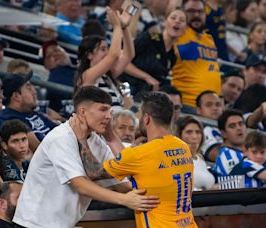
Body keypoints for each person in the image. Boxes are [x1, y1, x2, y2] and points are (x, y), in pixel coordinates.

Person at [13, 86, 159, 228]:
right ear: (82, 112)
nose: (109, 116)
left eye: (109, 110)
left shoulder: (95, 141)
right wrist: (125, 200)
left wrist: (153, 195)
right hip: (34, 223)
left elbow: (118, 182)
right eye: (103, 110)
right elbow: (80, 185)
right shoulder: (61, 137)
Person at [76, 91, 197, 227]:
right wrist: (110, 135)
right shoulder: (183, 147)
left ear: (146, 119)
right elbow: (131, 161)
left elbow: (94, 173)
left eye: (139, 113)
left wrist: (82, 140)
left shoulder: (141, 154)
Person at [75, 7, 134, 109]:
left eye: (107, 49)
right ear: (89, 55)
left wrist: (124, 28)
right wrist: (116, 26)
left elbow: (129, 55)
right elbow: (114, 55)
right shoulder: (87, 76)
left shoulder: (108, 76)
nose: (107, 53)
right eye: (102, 49)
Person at [121, 7, 186, 96]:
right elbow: (122, 61)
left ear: (185, 28)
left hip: (146, 95)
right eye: (173, 18)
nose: (177, 21)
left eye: (182, 20)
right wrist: (146, 77)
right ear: (165, 21)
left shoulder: (172, 56)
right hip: (127, 87)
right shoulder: (148, 38)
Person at [172, 0, 221, 110]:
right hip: (187, 103)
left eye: (200, 11)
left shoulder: (209, 39)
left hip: (212, 106)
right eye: (191, 11)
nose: (196, 15)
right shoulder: (178, 32)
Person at [0, 73, 57, 152]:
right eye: (28, 87)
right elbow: (40, 151)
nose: (34, 91)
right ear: (16, 96)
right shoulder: (10, 119)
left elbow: (61, 129)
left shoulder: (32, 112)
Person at [175, 115, 215, 191]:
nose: (194, 136)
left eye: (198, 132)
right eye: (189, 132)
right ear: (179, 136)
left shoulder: (200, 158)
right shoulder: (175, 159)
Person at [213, 109, 247, 177]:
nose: (239, 128)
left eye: (241, 124)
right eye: (232, 126)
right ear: (224, 133)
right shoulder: (227, 155)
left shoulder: (248, 153)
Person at [195, 90, 224, 161]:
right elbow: (217, 156)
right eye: (209, 105)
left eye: (218, 105)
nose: (215, 108)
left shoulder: (227, 127)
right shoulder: (201, 131)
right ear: (199, 110)